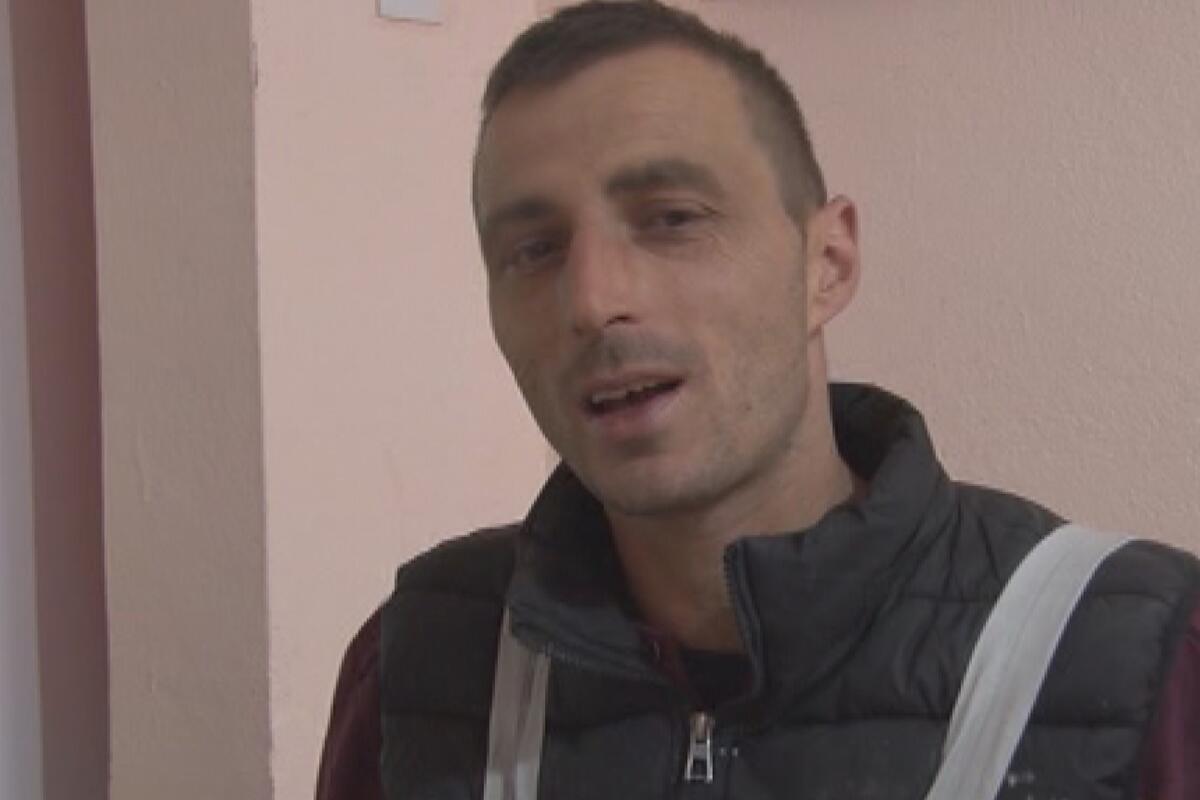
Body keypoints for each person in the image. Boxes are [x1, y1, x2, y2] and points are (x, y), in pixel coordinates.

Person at [316, 3, 1199, 798]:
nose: (591, 300)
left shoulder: (1138, 657)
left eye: (672, 219)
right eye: (534, 250)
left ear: (827, 265)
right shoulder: (418, 666)